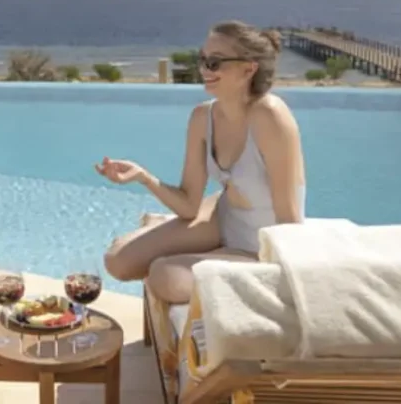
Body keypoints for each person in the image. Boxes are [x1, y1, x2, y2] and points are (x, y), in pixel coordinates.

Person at [99, 21, 306, 305]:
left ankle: (207, 252)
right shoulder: (202, 118)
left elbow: (289, 219)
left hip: (257, 243)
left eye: (215, 62)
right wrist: (144, 177)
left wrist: (285, 275)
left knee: (165, 275)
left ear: (249, 68)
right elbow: (188, 205)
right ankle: (195, 245)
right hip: (222, 218)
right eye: (203, 60)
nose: (205, 70)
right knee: (117, 260)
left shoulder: (270, 116)